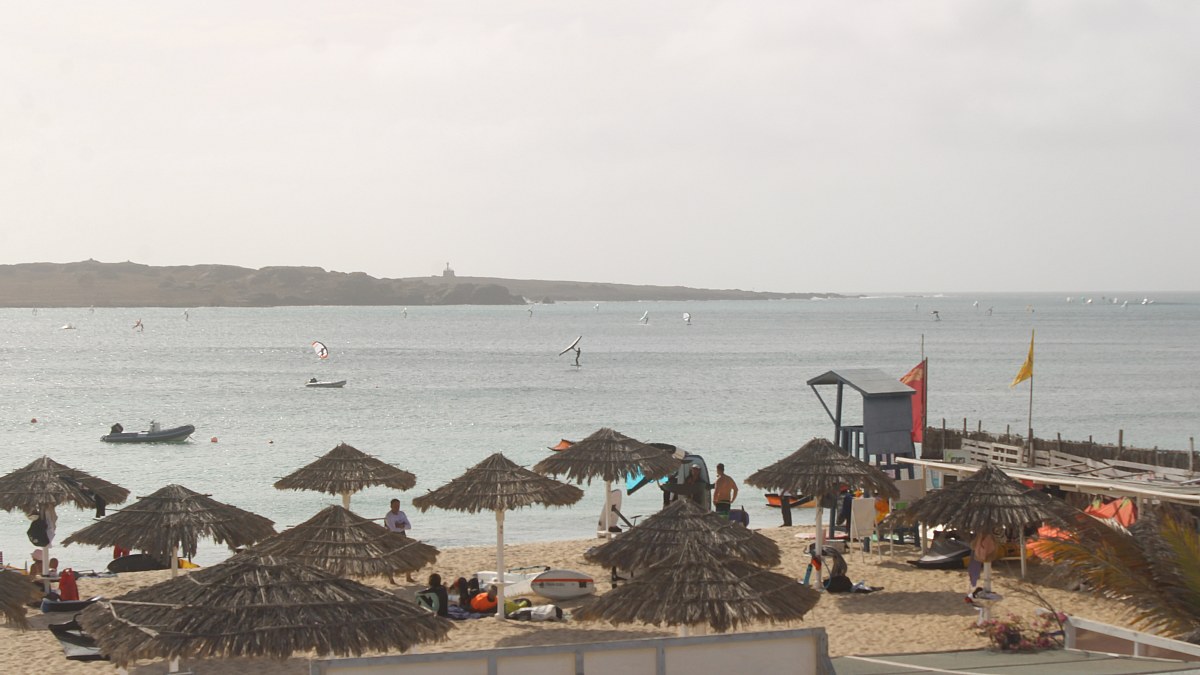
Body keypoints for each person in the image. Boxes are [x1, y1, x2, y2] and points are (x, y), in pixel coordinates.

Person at [385, 499, 415, 581]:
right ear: (391, 506)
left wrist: (400, 525)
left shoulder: (402, 514)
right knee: (392, 557)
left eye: (398, 505)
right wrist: (402, 525)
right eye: (395, 505)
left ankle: (408, 577)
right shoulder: (389, 516)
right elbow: (393, 529)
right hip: (392, 537)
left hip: (402, 535)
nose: (397, 507)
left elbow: (409, 526)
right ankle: (391, 579)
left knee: (407, 555)